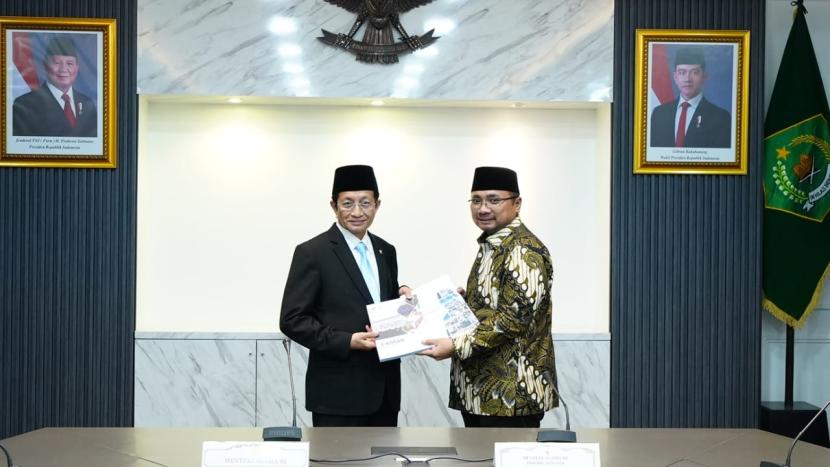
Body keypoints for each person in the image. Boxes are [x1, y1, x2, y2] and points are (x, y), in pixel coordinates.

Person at [421, 166, 558, 428]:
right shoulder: (493, 244)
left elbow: (511, 320)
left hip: (510, 398)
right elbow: (496, 306)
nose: (483, 208)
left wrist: (455, 345)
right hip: (482, 395)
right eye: (476, 200)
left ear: (516, 203)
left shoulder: (521, 248)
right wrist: (463, 303)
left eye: (494, 200)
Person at [280, 164, 410, 427]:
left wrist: (402, 295)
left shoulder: (387, 250)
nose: (357, 212)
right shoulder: (312, 252)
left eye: (365, 203)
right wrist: (347, 341)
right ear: (333, 206)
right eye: (348, 203)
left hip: (385, 393)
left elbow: (371, 299)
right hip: (337, 395)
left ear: (377, 205)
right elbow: (292, 319)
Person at [12, 35, 97, 138]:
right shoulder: (24, 105)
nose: (63, 69)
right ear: (45, 65)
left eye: (69, 63)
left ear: (77, 67)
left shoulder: (87, 104)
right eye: (57, 63)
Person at [650, 47, 731, 148]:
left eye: (695, 72)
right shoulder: (659, 114)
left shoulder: (721, 118)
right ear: (675, 77)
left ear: (704, 77)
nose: (687, 79)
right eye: (682, 72)